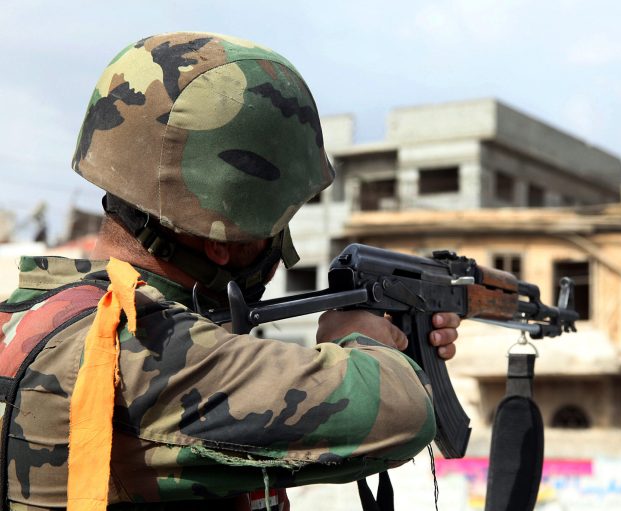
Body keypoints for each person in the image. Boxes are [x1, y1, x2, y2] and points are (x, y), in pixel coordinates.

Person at [0, 32, 461, 511]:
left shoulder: (29, 314)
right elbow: (401, 410)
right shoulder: (145, 345)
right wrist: (362, 339)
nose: (283, 245)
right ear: (220, 242)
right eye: (278, 224)